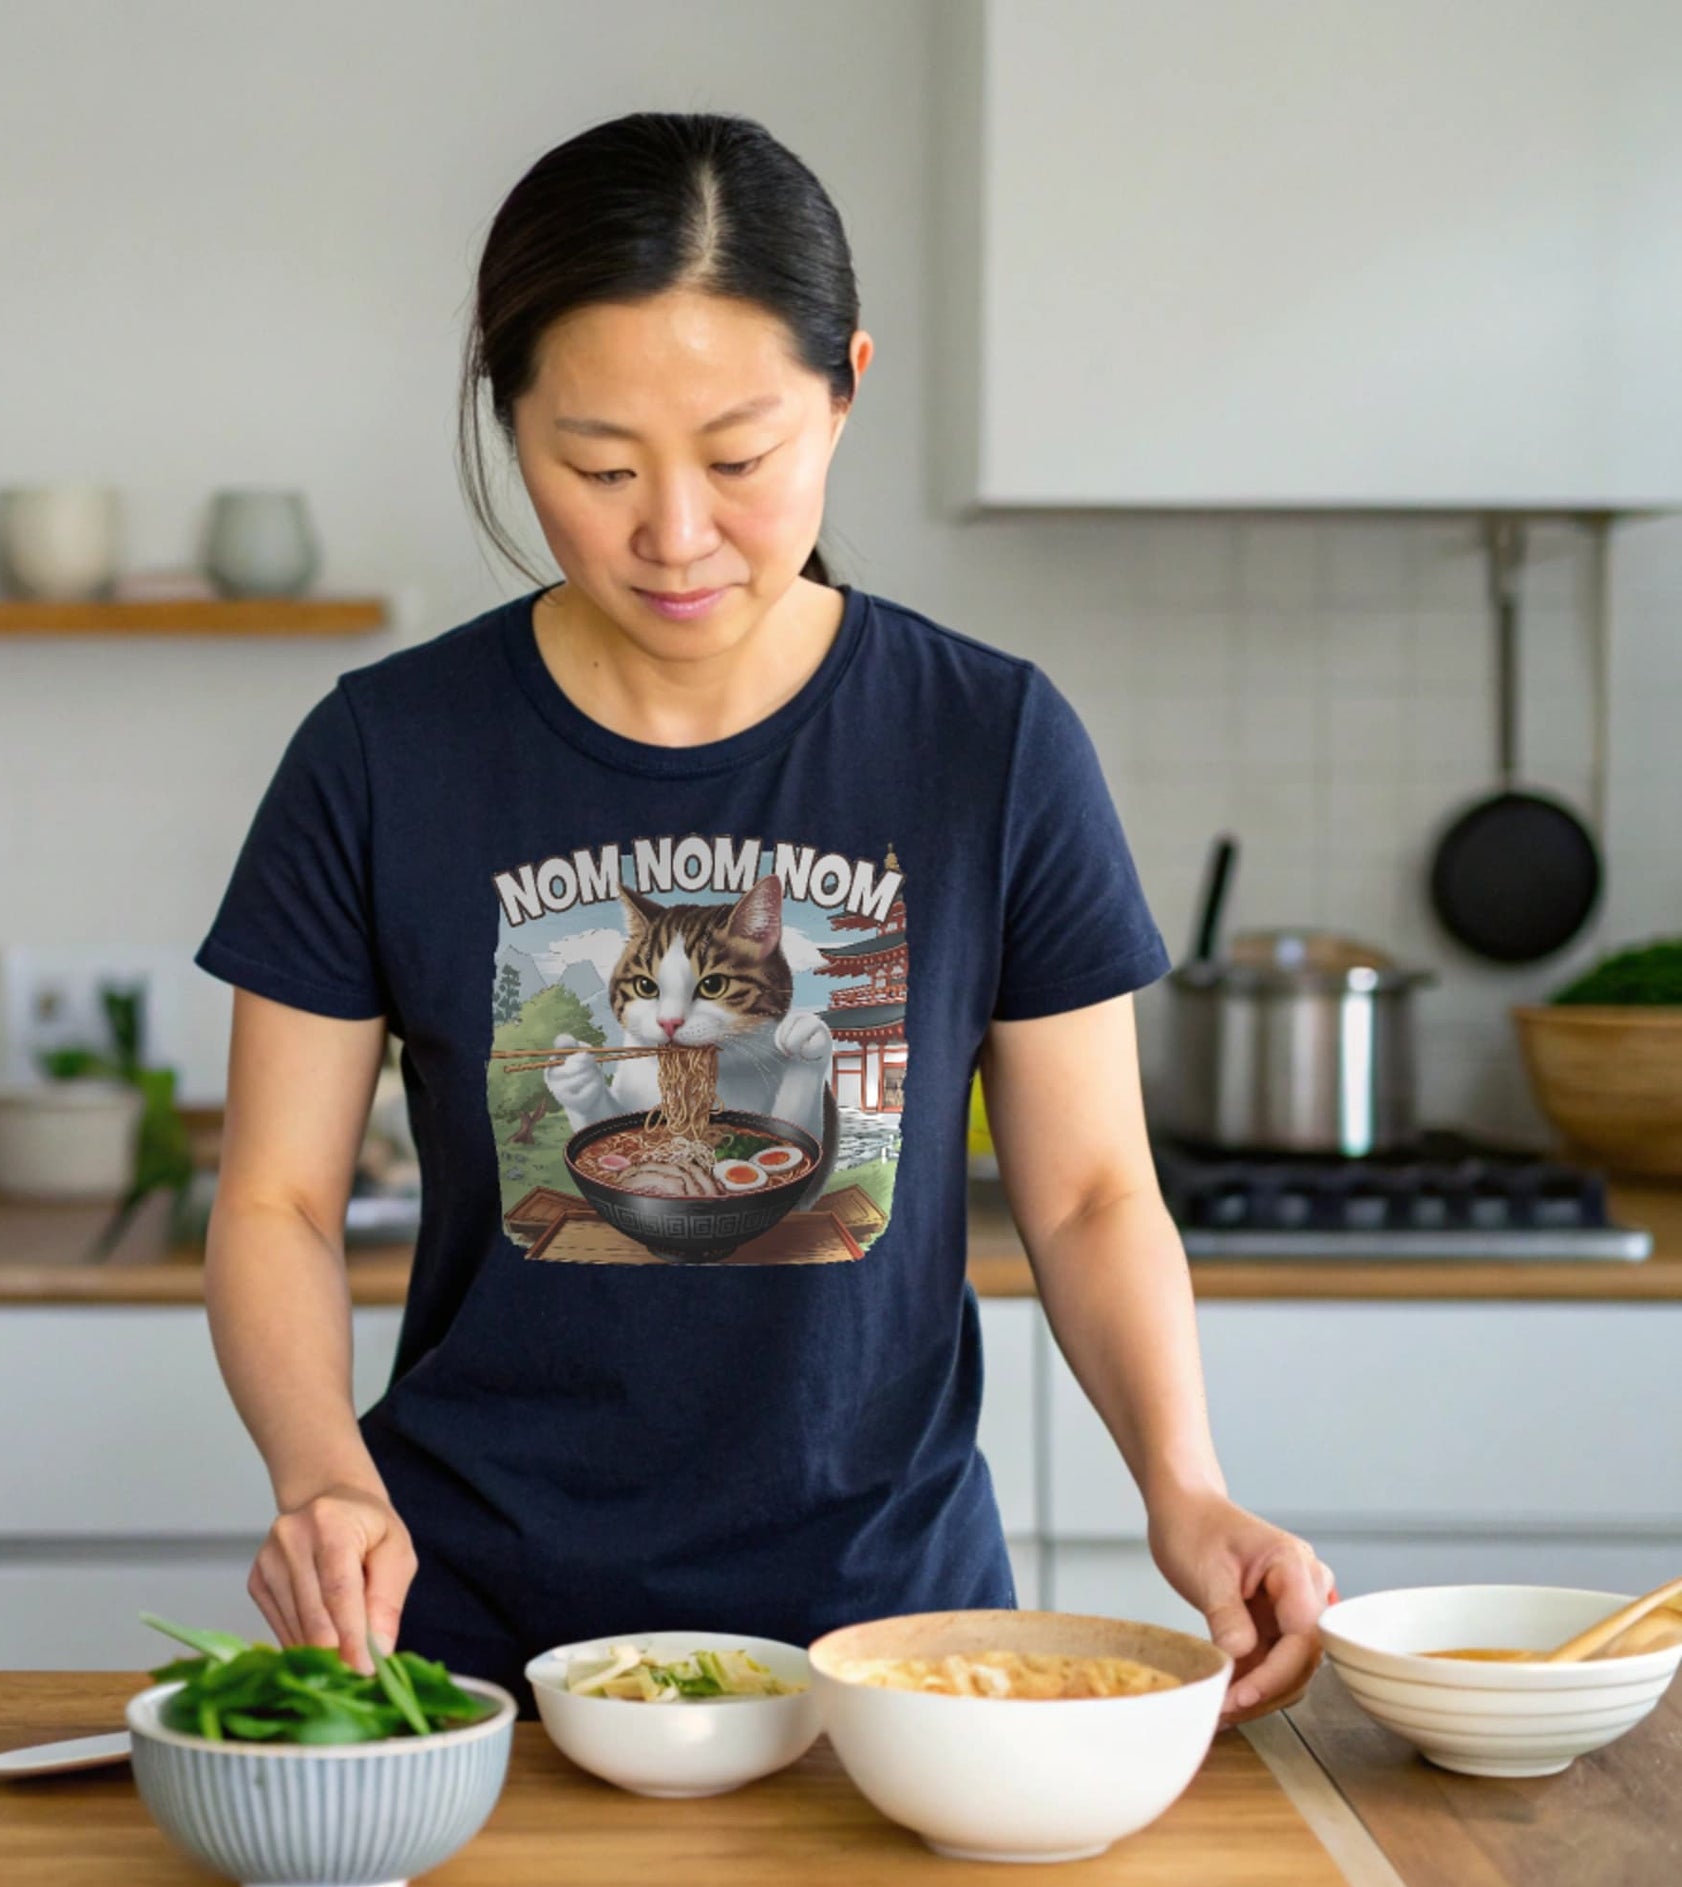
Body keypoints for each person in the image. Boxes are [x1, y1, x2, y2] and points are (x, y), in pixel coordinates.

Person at [195, 110, 1334, 1724]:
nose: (671, 533)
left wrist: (1187, 1483)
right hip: (468, 1645)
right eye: (595, 467)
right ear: (504, 416)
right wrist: (322, 1478)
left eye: (738, 459)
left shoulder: (988, 745)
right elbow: (280, 1204)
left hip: (893, 1643)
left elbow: (1084, 1193)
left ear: (846, 385)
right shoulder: (383, 757)